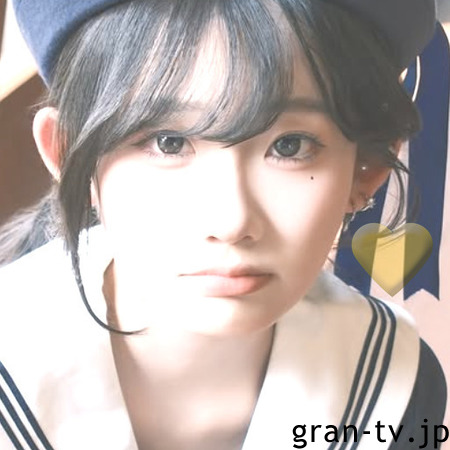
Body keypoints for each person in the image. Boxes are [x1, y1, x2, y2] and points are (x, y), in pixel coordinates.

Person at [0, 0, 446, 449]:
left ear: (365, 169)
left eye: (290, 146)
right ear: (68, 155)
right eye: (168, 143)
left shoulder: (398, 384)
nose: (231, 222)